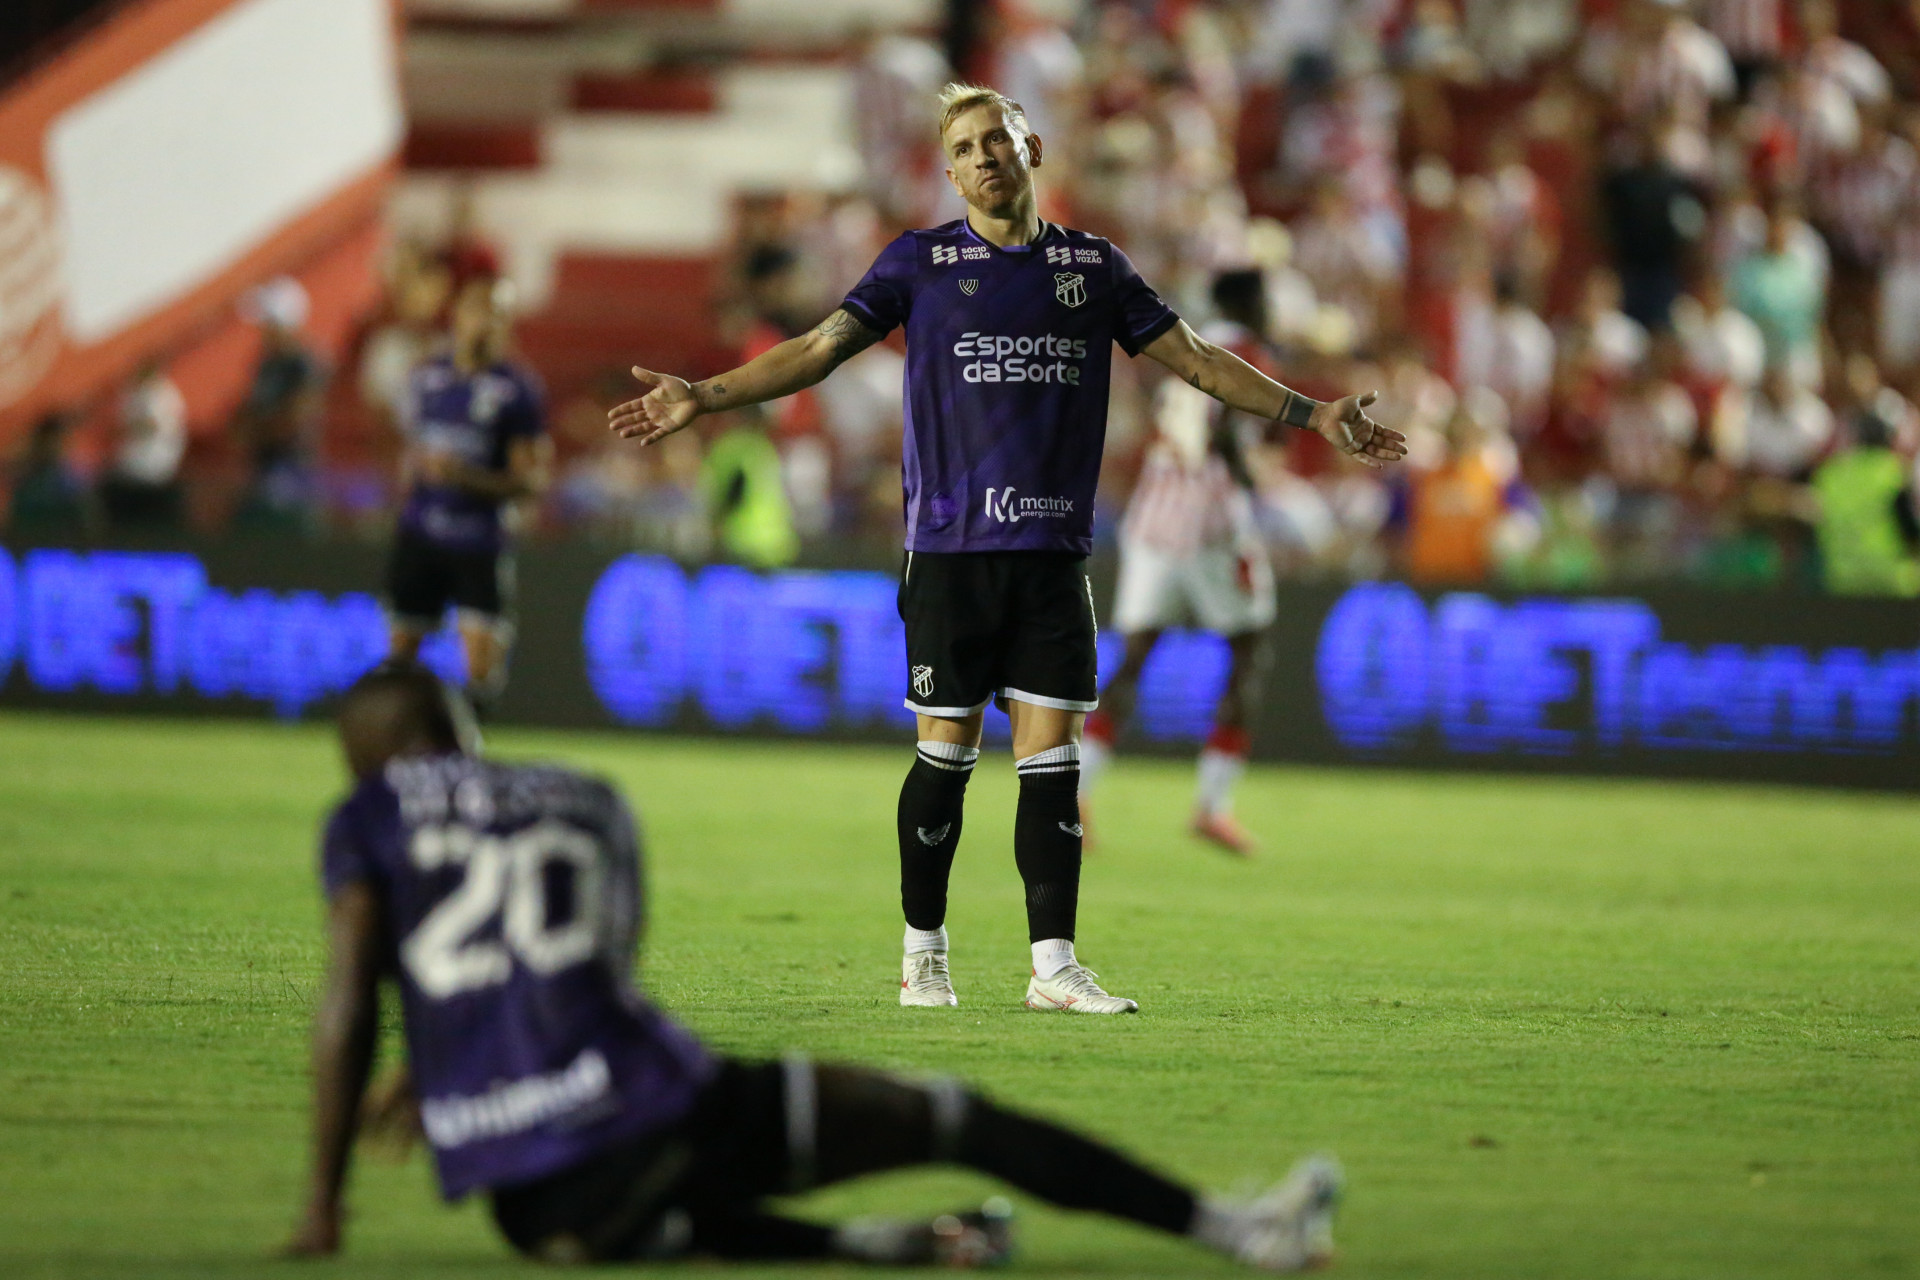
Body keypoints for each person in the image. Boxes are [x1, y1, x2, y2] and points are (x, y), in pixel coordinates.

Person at [608, 83, 1404, 1015]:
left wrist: (1313, 413)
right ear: (949, 172)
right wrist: (706, 393)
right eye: (965, 148)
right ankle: (923, 954)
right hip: (950, 550)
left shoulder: (1094, 269)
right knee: (944, 758)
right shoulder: (920, 263)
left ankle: (1054, 967)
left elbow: (1195, 358)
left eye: (996, 139)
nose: (983, 156)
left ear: (1031, 146)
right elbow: (820, 348)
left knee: (1051, 765)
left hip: (1053, 556)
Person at [284, 661, 1346, 1271]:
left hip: (526, 1195)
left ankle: (900, 1246)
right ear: (463, 734)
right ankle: (1238, 1228)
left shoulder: (363, 815)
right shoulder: (580, 792)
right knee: (947, 1117)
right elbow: (598, 966)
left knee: (661, 1213)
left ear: (367, 759)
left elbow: (346, 1004)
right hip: (656, 1106)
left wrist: (328, 1199)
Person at [1078, 270, 1282, 857]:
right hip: (1208, 519)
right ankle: (1213, 806)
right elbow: (1216, 430)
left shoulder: (1182, 338)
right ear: (1249, 303)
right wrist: (1249, 479)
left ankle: (1078, 790)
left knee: (1137, 652)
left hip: (1153, 511)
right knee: (1249, 648)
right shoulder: (1244, 349)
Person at [386, 276, 551, 712]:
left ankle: (471, 753)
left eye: (498, 314)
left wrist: (463, 477)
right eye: (481, 310)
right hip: (421, 533)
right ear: (459, 314)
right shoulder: (426, 377)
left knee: (480, 669)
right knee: (401, 654)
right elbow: (407, 450)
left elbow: (531, 480)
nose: (487, 322)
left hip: (479, 538)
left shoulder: (517, 390)